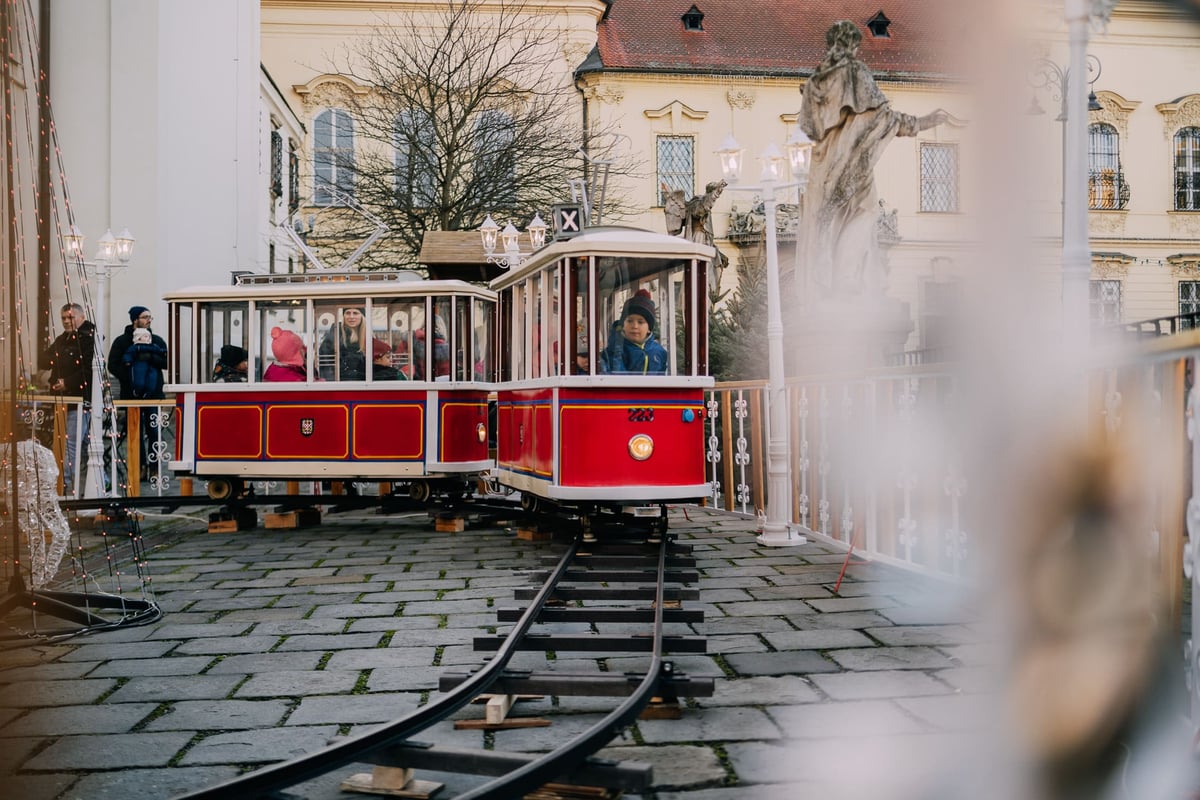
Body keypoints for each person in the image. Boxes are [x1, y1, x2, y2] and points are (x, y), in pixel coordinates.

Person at [796, 20, 948, 300]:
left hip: (824, 166)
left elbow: (810, 127)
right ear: (853, 45)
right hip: (853, 162)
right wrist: (923, 122)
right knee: (865, 212)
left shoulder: (817, 81)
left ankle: (829, 281)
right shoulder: (856, 73)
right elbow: (884, 118)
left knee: (829, 221)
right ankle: (845, 278)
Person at [108, 305, 168, 481]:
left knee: (154, 431)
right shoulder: (122, 341)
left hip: (153, 394)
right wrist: (131, 375)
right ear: (135, 320)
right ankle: (139, 465)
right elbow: (113, 365)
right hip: (131, 394)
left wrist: (150, 357)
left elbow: (167, 362)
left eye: (150, 317)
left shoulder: (156, 340)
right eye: (144, 317)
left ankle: (154, 466)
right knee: (135, 432)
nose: (149, 320)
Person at [42, 302, 96, 495]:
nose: (66, 321)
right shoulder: (62, 339)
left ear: (81, 317)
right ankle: (95, 483)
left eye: (70, 317)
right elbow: (45, 360)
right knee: (77, 445)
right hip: (61, 401)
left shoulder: (88, 339)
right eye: (63, 318)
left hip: (78, 401)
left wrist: (68, 382)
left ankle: (66, 487)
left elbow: (89, 371)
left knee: (71, 446)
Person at [600, 289, 668, 375]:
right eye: (629, 321)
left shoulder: (659, 352)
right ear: (623, 325)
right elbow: (618, 379)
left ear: (649, 328)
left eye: (640, 322)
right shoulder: (615, 351)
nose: (635, 326)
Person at [319, 307, 366, 380]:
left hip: (363, 382)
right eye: (348, 313)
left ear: (362, 316)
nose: (351, 317)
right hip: (339, 382)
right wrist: (331, 383)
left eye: (355, 313)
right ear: (343, 316)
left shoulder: (368, 335)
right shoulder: (335, 335)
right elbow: (324, 362)